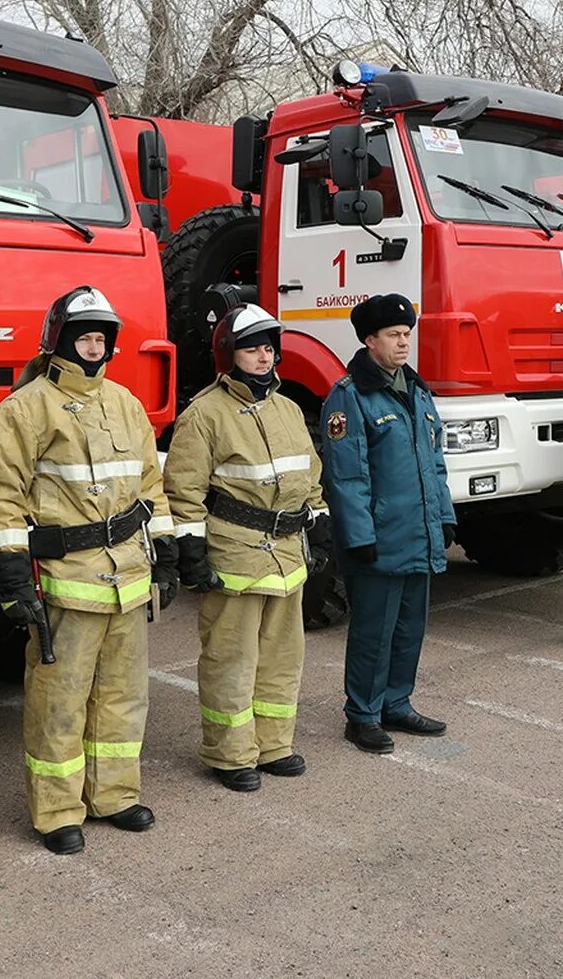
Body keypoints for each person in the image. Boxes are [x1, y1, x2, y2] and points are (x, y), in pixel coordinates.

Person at [0, 286, 175, 855]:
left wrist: (167, 555)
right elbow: (0, 498)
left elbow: (150, 487)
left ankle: (113, 795)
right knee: (58, 702)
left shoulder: (127, 404)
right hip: (66, 582)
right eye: (83, 337)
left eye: (101, 338)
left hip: (128, 579)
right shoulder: (24, 409)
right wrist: (11, 575)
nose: (94, 347)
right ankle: (58, 809)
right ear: (59, 341)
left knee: (123, 695)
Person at [163, 304, 326, 790]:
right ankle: (231, 755)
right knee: (231, 660)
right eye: (252, 347)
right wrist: (191, 552)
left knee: (282, 657)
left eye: (268, 346)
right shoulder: (204, 414)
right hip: (234, 554)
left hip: (287, 554)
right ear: (228, 354)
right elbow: (183, 490)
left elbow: (309, 477)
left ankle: (275, 746)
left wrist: (317, 525)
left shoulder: (288, 408)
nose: (263, 355)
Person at [320, 294, 458, 752]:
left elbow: (434, 463)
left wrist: (444, 518)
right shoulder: (349, 396)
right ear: (369, 340)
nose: (404, 344)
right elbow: (347, 476)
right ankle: (362, 714)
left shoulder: (416, 390)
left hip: (418, 533)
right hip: (378, 538)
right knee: (373, 632)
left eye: (407, 336)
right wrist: (359, 537)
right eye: (394, 336)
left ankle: (396, 703)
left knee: (408, 629)